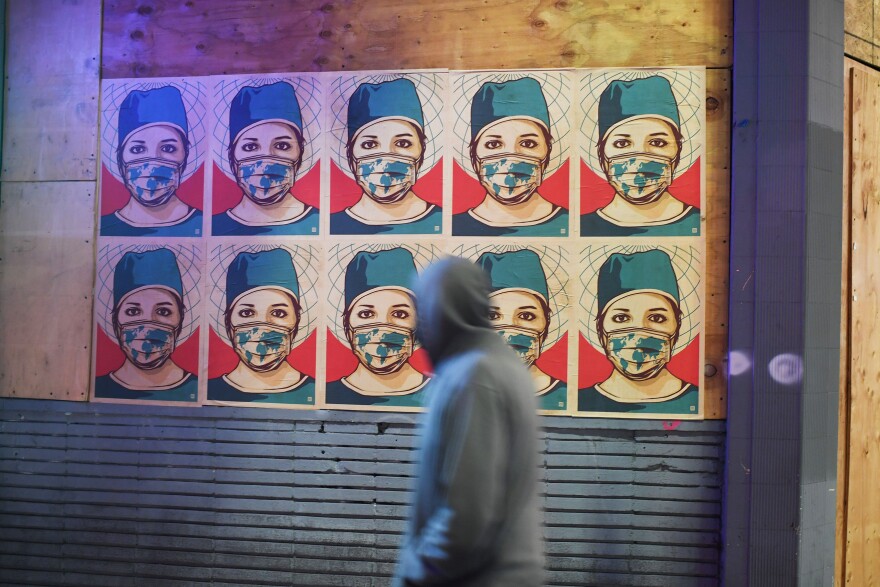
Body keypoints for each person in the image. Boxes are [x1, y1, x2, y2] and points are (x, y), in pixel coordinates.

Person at [394, 257, 543, 587]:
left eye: (423, 309)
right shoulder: (496, 363)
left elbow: (466, 518)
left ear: (440, 309)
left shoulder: (473, 376)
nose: (418, 327)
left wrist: (416, 573)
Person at [577, 249, 699, 414]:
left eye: (657, 318)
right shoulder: (584, 402)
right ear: (600, 326)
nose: (639, 337)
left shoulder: (695, 400)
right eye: (621, 318)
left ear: (677, 324)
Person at [580, 76, 701, 237]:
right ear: (602, 154)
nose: (640, 160)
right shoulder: (585, 227)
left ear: (678, 150)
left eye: (657, 142)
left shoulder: (698, 223)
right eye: (622, 143)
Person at [453, 77, 568, 236]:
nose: (511, 162)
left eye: (528, 143)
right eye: (493, 144)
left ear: (547, 151)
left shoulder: (569, 223)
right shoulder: (456, 227)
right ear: (474, 155)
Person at [330, 78, 441, 234]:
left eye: (402, 143)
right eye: (369, 145)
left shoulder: (443, 221)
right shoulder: (334, 226)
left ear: (422, 149)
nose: (386, 162)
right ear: (351, 154)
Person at [207, 248, 315, 404]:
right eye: (246, 313)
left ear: (297, 320)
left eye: (278, 313)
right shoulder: (212, 390)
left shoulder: (314, 390)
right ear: (228, 321)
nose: (262, 330)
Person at [212, 81, 319, 236]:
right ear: (232, 155)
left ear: (300, 152)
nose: (266, 165)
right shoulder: (216, 227)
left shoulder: (319, 222)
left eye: (282, 146)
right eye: (250, 147)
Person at [325, 248, 429, 407]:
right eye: (366, 314)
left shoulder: (438, 393)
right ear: (347, 325)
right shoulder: (331, 394)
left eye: (400, 314)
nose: (383, 332)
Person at [94, 248, 198, 401]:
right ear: (116, 320)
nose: (148, 329)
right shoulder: (101, 387)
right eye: (133, 311)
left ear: (181, 319)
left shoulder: (197, 387)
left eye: (163, 311)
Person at [101, 86, 203, 236]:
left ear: (185, 155)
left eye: (168, 148)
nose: (153, 166)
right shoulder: (107, 227)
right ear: (120, 157)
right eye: (137, 150)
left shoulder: (204, 223)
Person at [475, 249, 566, 410]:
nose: (510, 334)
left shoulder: (564, 395)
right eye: (491, 316)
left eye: (527, 316)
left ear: (547, 322)